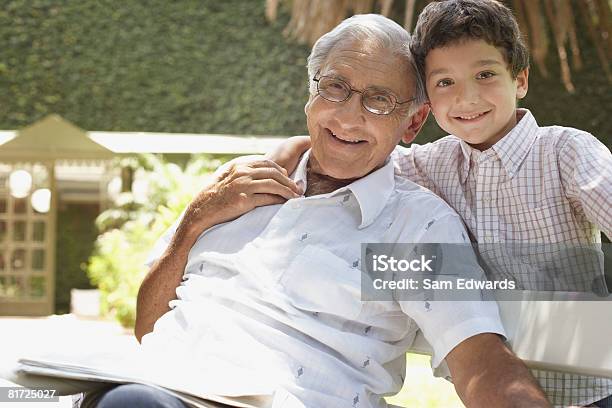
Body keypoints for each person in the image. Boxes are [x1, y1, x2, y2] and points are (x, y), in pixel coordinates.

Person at [87, 14, 550, 408]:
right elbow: (149, 326)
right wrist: (194, 223)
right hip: (162, 387)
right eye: (335, 88)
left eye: (379, 100)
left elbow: (478, 358)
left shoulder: (409, 226)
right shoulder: (240, 187)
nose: (348, 117)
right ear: (311, 94)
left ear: (411, 122)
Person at [269, 1, 612, 407]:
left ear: (519, 79)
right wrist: (290, 150)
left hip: (587, 387)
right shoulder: (431, 163)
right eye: (445, 82)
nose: (467, 98)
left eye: (485, 75)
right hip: (492, 386)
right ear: (426, 102)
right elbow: (355, 146)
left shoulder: (565, 152)